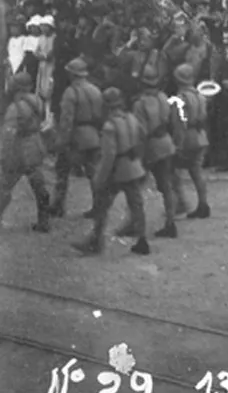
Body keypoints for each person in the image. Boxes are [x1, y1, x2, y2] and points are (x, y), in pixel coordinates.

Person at [72, 89, 149, 256]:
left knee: (102, 206)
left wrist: (100, 178)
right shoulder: (132, 119)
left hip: (117, 171)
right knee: (137, 205)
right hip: (133, 167)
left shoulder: (110, 126)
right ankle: (142, 239)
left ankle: (95, 240)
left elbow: (109, 156)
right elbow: (143, 137)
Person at [130, 63, 182, 239]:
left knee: (135, 188)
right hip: (166, 143)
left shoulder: (140, 103)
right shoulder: (163, 97)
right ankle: (170, 222)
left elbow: (141, 131)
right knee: (166, 185)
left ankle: (134, 225)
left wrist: (136, 153)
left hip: (150, 147)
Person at [49, 58, 102, 218]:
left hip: (75, 138)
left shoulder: (70, 93)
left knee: (62, 172)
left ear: (71, 74)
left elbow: (66, 121)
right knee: (94, 174)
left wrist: (61, 142)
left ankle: (58, 206)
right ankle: (99, 206)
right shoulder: (95, 90)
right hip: (93, 136)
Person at [0, 73, 52, 232]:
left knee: (4, 187)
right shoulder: (38, 101)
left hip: (19, 151)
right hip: (36, 146)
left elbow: (8, 135)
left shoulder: (14, 108)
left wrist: (2, 154)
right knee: (40, 188)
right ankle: (44, 222)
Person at [170, 64, 212, 219]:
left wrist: (177, 145)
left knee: (173, 173)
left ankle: (180, 204)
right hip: (201, 136)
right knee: (197, 172)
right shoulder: (201, 95)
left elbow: (179, 124)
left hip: (187, 138)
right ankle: (203, 204)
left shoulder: (179, 99)